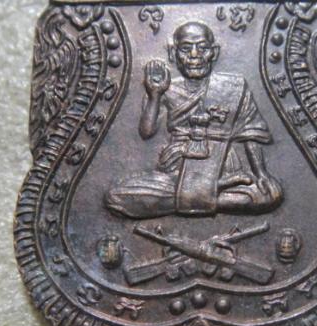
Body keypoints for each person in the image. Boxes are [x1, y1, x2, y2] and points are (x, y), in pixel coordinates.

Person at [106, 22, 283, 219]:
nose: (194, 55)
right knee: (114, 197)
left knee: (271, 194)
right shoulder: (166, 88)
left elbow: (250, 133)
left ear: (214, 52)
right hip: (176, 168)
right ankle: (210, 196)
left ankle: (193, 195)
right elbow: (146, 132)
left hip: (222, 165)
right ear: (173, 53)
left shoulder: (234, 87)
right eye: (185, 49)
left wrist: (261, 173)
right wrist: (155, 94)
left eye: (202, 48)